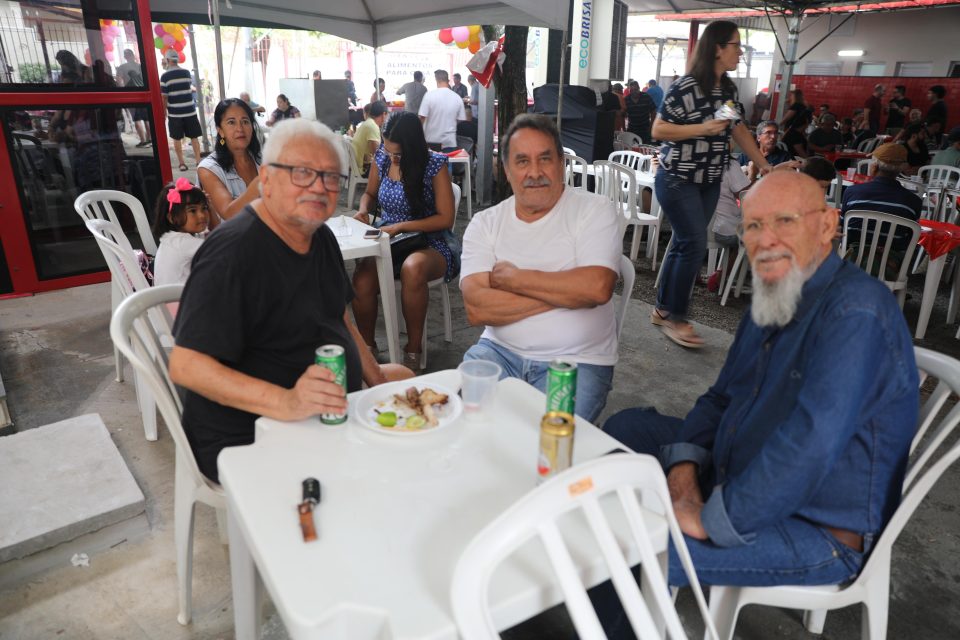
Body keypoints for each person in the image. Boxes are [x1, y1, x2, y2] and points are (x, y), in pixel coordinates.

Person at [603, 171, 918, 593]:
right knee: (626, 429)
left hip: (817, 528)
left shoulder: (856, 312)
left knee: (631, 550)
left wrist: (710, 517)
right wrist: (683, 474)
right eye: (752, 225)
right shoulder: (778, 290)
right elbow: (719, 399)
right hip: (738, 467)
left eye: (784, 221)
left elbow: (810, 445)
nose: (765, 239)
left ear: (827, 225)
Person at [168, 119, 413, 483]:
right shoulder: (233, 253)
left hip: (321, 409)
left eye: (331, 177)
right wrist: (288, 402)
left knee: (406, 383)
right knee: (386, 474)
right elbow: (186, 366)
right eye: (301, 173)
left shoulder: (319, 236)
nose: (319, 187)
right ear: (265, 179)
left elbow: (339, 318)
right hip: (249, 431)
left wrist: (375, 380)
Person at [459, 114, 621, 423]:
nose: (535, 172)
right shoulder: (486, 223)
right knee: (459, 426)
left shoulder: (594, 210)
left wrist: (516, 279)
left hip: (576, 362)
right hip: (497, 353)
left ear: (561, 163)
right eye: (522, 162)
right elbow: (477, 308)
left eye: (545, 159)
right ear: (506, 171)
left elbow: (596, 287)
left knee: (543, 449)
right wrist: (568, 292)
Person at [651, 20, 773, 348]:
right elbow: (659, 130)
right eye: (736, 45)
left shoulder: (727, 90)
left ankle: (663, 310)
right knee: (693, 244)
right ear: (718, 48)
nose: (740, 53)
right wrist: (701, 130)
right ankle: (677, 319)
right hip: (677, 178)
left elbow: (736, 129)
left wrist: (764, 165)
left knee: (683, 242)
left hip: (707, 180)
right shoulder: (686, 86)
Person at [352, 112, 459, 371]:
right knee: (362, 279)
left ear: (412, 146)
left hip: (429, 241)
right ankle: (368, 348)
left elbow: (445, 218)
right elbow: (369, 193)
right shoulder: (383, 158)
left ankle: (413, 349)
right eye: (388, 151)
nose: (391, 158)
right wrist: (364, 208)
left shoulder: (434, 164)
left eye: (397, 154)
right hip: (390, 238)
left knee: (413, 268)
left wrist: (401, 226)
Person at [841, 142, 922, 257]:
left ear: (874, 166)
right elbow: (910, 237)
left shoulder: (852, 191)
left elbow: (843, 225)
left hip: (850, 258)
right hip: (889, 265)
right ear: (902, 169)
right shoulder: (913, 201)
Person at [198, 98, 262, 226]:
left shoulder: (263, 158)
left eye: (245, 121)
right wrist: (262, 182)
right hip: (232, 241)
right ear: (220, 130)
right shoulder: (208, 169)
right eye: (231, 122)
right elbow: (228, 213)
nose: (240, 128)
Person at [151, 178, 209, 287]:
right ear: (173, 218)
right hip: (180, 301)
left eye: (204, 208)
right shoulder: (182, 243)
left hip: (167, 300)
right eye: (193, 210)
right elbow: (221, 250)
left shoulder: (171, 238)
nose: (202, 215)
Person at [160, 49, 203, 172]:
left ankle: (182, 164)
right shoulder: (186, 73)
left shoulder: (165, 76)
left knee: (177, 138)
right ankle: (198, 161)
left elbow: (164, 97)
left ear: (168, 60)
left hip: (175, 113)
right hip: (190, 110)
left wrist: (164, 112)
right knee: (194, 137)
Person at [418, 69, 466, 152]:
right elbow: (461, 119)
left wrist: (418, 134)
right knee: (447, 164)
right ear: (448, 80)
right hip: (449, 141)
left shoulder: (429, 96)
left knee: (431, 164)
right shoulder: (457, 98)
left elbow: (422, 117)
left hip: (431, 139)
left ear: (436, 80)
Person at [116, 49, 151, 147]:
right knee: (146, 118)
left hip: (132, 96)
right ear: (133, 55)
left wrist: (123, 91)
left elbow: (119, 80)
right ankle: (150, 139)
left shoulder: (122, 67)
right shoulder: (140, 66)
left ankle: (143, 141)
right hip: (143, 95)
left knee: (136, 119)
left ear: (125, 57)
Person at [352, 101, 388, 177]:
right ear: (384, 114)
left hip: (357, 167)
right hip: (364, 170)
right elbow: (377, 153)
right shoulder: (373, 126)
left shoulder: (367, 123)